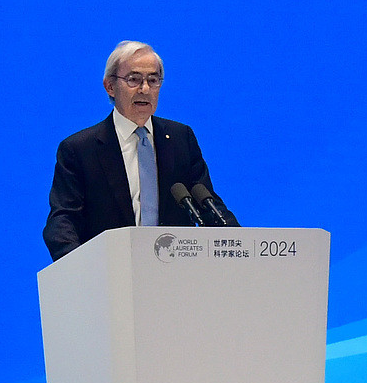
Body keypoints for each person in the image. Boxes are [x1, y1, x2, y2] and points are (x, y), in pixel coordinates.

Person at [43, 41, 236, 259]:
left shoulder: (181, 138)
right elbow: (63, 220)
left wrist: (243, 249)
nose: (145, 89)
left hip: (176, 272)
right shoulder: (80, 149)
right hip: (113, 272)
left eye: (153, 80)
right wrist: (80, 268)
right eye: (134, 79)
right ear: (110, 86)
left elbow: (207, 203)